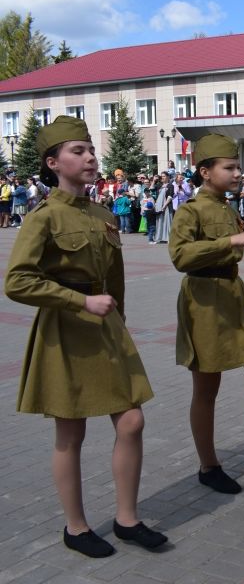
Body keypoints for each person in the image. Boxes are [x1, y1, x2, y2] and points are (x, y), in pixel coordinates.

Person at [5, 116, 165, 557]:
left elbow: (115, 277)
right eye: (78, 151)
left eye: (91, 149)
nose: (90, 157)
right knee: (70, 432)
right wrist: (79, 303)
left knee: (131, 420)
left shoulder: (100, 213)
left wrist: (120, 320)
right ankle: (75, 527)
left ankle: (127, 519)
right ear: (53, 162)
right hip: (67, 329)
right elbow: (17, 281)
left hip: (106, 329)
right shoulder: (44, 217)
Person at [167, 135, 244, 494]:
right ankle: (208, 465)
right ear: (205, 171)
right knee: (207, 387)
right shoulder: (192, 209)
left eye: (238, 167)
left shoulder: (226, 206)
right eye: (229, 167)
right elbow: (180, 256)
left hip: (233, 296)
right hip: (203, 299)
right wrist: (230, 242)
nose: (238, 173)